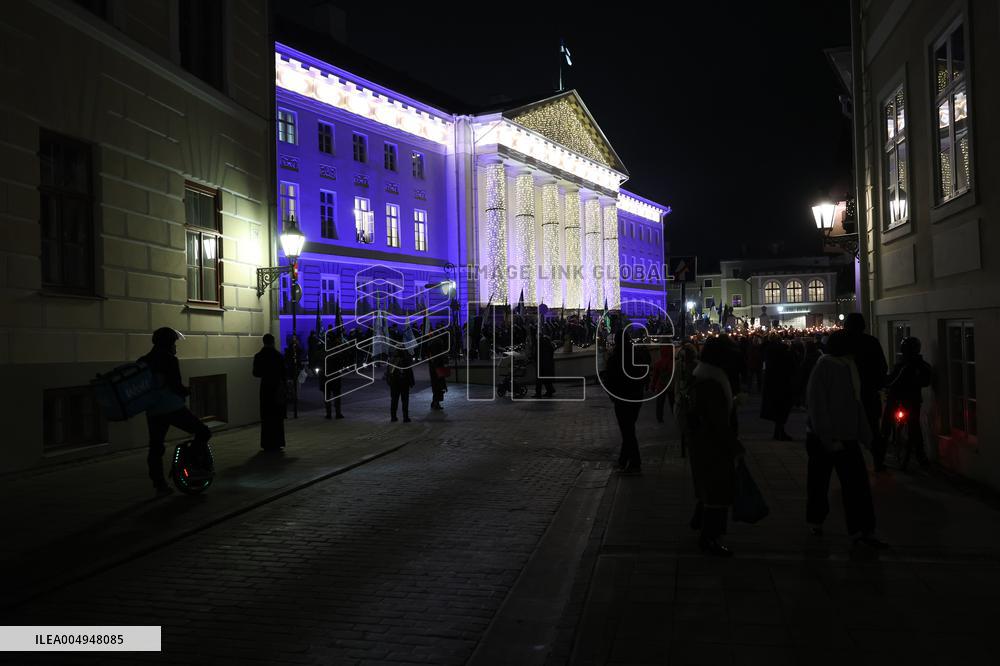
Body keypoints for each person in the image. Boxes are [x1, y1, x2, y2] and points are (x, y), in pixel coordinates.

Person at [805, 330, 886, 548]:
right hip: (826, 439)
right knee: (820, 483)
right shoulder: (825, 366)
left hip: (845, 437)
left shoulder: (847, 366)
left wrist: (867, 437)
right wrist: (828, 437)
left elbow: (855, 404)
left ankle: (863, 530)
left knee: (855, 486)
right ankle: (817, 521)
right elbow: (817, 405)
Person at [682, 337, 744, 557]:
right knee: (718, 491)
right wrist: (735, 447)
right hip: (713, 446)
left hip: (703, 444)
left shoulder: (704, 375)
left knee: (709, 488)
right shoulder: (712, 381)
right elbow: (716, 421)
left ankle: (700, 522)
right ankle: (710, 538)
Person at [141, 327, 212, 494]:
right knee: (203, 432)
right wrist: (186, 390)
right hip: (172, 407)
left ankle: (159, 484)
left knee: (156, 446)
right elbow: (175, 385)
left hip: (153, 410)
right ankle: (191, 463)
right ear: (168, 343)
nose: (175, 346)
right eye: (174, 342)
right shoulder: (170, 360)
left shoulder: (144, 360)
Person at [843, 312, 889, 471]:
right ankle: (878, 461)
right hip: (869, 393)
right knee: (873, 430)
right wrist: (878, 385)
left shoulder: (843, 343)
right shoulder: (871, 342)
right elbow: (882, 367)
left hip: (848, 395)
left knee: (848, 431)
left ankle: (851, 464)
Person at [604, 329, 650, 474]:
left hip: (622, 398)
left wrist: (613, 395)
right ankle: (623, 461)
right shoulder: (636, 354)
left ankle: (635, 463)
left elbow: (609, 379)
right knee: (628, 429)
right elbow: (644, 374)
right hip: (636, 397)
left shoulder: (615, 358)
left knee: (627, 431)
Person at [882, 337, 932, 468]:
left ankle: (920, 455)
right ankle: (921, 457)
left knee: (912, 425)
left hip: (907, 398)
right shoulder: (905, 364)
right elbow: (892, 378)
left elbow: (926, 380)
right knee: (912, 425)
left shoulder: (917, 365)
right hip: (904, 398)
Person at [253, 333, 286, 451]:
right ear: (272, 342)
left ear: (263, 342)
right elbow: (284, 373)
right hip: (276, 387)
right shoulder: (278, 356)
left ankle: (266, 443)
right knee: (277, 416)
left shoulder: (258, 356)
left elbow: (256, 373)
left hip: (265, 387)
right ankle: (278, 442)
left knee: (266, 416)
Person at [760, 335, 795, 440]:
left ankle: (778, 432)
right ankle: (779, 432)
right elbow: (791, 366)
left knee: (777, 410)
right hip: (782, 384)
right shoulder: (783, 354)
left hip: (772, 384)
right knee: (782, 409)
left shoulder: (768, 353)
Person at [387, 349, 416, 422]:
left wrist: (389, 382)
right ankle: (405, 417)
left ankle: (393, 417)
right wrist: (411, 382)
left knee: (394, 400)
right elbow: (409, 372)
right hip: (404, 382)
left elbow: (388, 373)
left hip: (394, 383)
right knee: (405, 400)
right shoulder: (406, 360)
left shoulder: (392, 360)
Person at [323, 326, 345, 420]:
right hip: (334, 375)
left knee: (328, 396)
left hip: (326, 375)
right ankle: (337, 413)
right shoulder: (337, 351)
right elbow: (342, 362)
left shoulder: (325, 351)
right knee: (336, 395)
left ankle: (329, 413)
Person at [650, 345, 675, 423]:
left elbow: (655, 377)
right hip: (671, 386)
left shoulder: (658, 363)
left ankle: (659, 418)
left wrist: (652, 386)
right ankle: (675, 415)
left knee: (660, 403)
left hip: (661, 386)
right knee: (672, 402)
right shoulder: (674, 363)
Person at [533, 332, 556, 398]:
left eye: (536, 335)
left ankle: (538, 393)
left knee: (539, 379)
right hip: (547, 363)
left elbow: (537, 353)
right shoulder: (547, 342)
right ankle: (550, 391)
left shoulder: (539, 342)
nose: (536, 337)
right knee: (546, 379)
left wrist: (534, 359)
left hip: (541, 363)